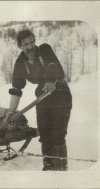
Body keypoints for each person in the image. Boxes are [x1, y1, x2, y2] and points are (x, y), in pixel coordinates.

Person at [9, 30, 72, 171]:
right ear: (19, 46)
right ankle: (48, 166)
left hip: (59, 92)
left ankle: (61, 168)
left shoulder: (44, 49)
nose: (30, 47)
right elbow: (17, 87)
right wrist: (11, 112)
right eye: (25, 44)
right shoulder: (20, 62)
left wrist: (50, 80)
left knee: (58, 134)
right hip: (42, 96)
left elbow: (52, 65)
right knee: (44, 133)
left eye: (31, 42)